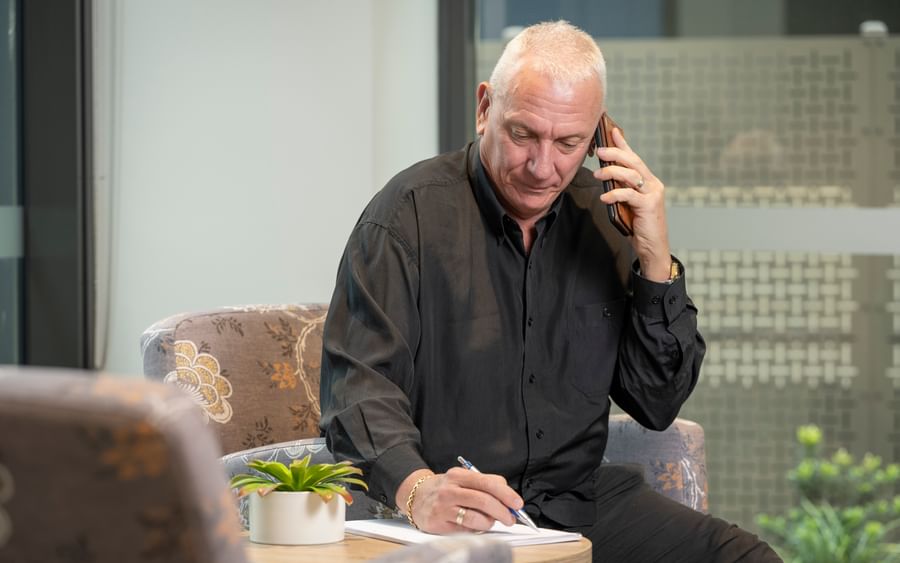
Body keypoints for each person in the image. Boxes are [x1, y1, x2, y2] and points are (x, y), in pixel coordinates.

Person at [320, 21, 780, 562]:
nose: (543, 168)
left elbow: (656, 402)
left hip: (578, 508)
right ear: (485, 107)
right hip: (457, 513)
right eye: (523, 135)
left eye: (569, 143)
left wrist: (655, 260)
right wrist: (418, 488)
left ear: (600, 137)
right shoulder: (406, 216)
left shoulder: (610, 219)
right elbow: (358, 383)